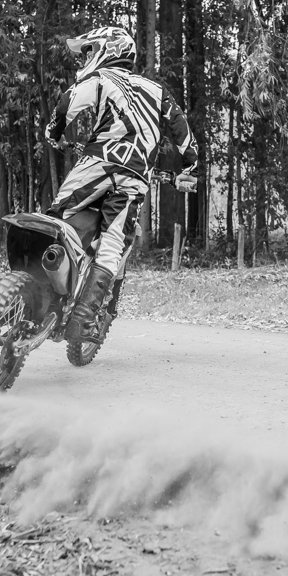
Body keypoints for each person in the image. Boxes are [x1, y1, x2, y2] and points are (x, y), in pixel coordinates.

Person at [46, 25, 198, 343]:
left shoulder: (101, 81)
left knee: (57, 217)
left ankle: (44, 283)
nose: (85, 58)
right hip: (134, 176)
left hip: (97, 164)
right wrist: (189, 165)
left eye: (89, 51)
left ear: (107, 50)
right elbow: (181, 127)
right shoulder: (156, 91)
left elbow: (67, 103)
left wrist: (53, 133)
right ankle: (83, 318)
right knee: (114, 243)